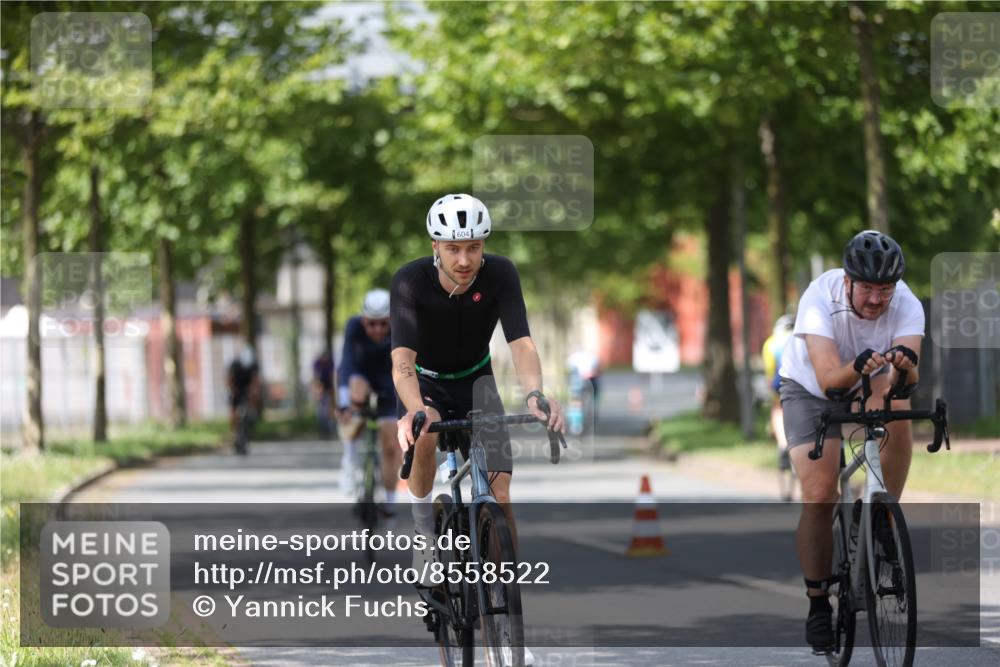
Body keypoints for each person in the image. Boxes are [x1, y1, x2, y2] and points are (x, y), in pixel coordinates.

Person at [391, 193, 565, 562]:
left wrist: (535, 394)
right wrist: (414, 408)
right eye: (453, 248)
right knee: (425, 432)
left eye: (474, 247)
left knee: (500, 495)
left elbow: (521, 343)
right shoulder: (409, 281)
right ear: (435, 245)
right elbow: (402, 359)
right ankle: (423, 533)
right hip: (425, 383)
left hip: (476, 382)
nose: (464, 260)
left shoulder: (501, 273)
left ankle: (504, 586)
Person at [777, 230, 923, 652]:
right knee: (821, 493)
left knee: (896, 408)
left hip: (868, 379)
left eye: (885, 290)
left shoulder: (908, 304)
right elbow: (829, 381)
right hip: (810, 387)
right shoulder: (818, 298)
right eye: (867, 289)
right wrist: (859, 367)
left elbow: (906, 381)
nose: (877, 299)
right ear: (847, 282)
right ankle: (818, 601)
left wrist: (904, 366)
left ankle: (882, 515)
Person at [336, 289, 399, 515]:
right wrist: (344, 405)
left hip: (389, 380)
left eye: (383, 324)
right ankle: (350, 460)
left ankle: (390, 501)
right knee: (355, 390)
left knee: (390, 447)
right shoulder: (353, 326)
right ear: (363, 319)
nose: (377, 329)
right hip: (361, 377)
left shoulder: (401, 327)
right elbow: (346, 364)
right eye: (371, 324)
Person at [762, 314, 795, 493]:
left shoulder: (771, 342)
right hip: (799, 380)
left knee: (777, 408)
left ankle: (783, 445)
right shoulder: (802, 336)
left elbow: (769, 373)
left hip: (779, 381)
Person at [227, 344, 261, 449]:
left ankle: (253, 416)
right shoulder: (235, 365)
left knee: (254, 398)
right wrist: (233, 391)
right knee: (233, 410)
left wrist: (253, 392)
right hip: (236, 388)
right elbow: (229, 380)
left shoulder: (254, 365)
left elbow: (255, 381)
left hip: (247, 389)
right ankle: (234, 433)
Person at [312, 348, 335, 437]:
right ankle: (323, 429)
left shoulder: (330, 363)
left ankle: (329, 429)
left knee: (328, 409)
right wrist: (317, 390)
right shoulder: (317, 363)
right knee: (321, 410)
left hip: (328, 388)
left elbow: (332, 376)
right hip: (320, 388)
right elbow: (315, 377)